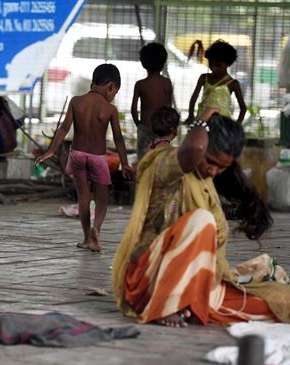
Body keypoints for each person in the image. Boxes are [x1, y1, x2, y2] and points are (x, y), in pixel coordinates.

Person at [112, 110, 290, 327]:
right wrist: (203, 119)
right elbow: (193, 149)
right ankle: (167, 305)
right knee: (202, 220)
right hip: (148, 282)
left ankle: (192, 302)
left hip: (194, 282)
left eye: (222, 167)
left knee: (280, 302)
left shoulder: (205, 182)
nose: (214, 171)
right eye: (211, 161)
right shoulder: (165, 165)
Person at [36, 64, 134, 252]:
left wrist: (50, 151)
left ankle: (87, 238)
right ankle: (96, 229)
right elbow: (118, 138)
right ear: (111, 86)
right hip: (97, 157)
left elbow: (64, 128)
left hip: (77, 155)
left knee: (83, 197)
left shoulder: (76, 101)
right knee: (102, 198)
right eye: (115, 92)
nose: (113, 96)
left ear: (93, 83)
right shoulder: (109, 109)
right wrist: (125, 163)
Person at [185, 40, 247, 124]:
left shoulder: (233, 83)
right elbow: (193, 98)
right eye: (211, 64)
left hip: (222, 124)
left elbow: (243, 108)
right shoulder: (204, 78)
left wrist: (237, 125)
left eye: (218, 65)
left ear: (228, 63)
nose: (214, 68)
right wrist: (190, 116)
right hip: (203, 121)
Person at [131, 43, 174, 160]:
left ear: (143, 63)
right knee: (160, 158)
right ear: (163, 63)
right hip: (163, 128)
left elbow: (134, 108)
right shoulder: (167, 83)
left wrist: (138, 124)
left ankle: (143, 178)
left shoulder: (140, 84)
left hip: (145, 127)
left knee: (143, 159)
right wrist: (170, 126)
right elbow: (169, 106)